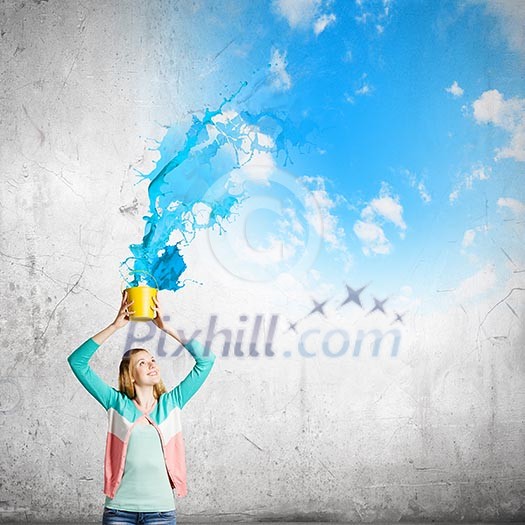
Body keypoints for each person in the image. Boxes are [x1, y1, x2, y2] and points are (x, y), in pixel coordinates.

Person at [67, 292, 216, 525]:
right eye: (142, 363)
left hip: (161, 512)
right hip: (119, 511)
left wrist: (167, 328)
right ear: (131, 376)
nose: (151, 364)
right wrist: (115, 326)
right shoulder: (116, 403)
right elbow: (77, 362)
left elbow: (207, 360)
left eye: (153, 360)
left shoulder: (172, 402)